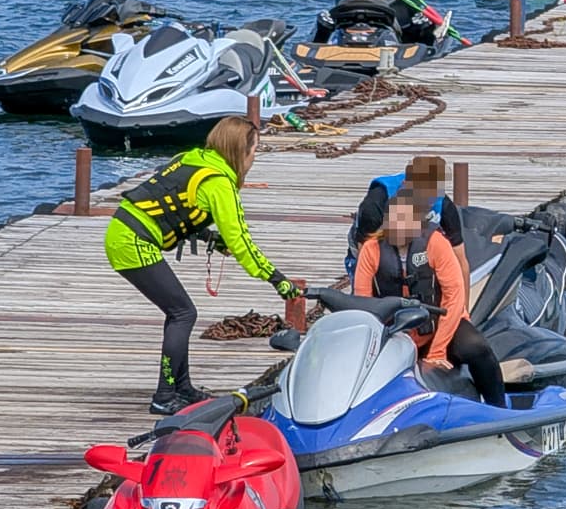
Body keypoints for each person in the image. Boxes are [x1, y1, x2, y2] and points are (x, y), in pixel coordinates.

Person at [105, 116, 302, 414]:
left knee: (180, 312)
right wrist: (276, 279)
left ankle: (182, 388)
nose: (254, 157)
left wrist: (207, 235)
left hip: (124, 231)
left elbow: (173, 203)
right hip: (132, 242)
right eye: (254, 150)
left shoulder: (195, 159)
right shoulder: (219, 183)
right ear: (240, 150)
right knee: (182, 313)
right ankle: (164, 395)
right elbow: (242, 242)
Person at [352, 196, 506, 408]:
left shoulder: (436, 243)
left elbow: (454, 296)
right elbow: (363, 303)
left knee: (477, 348)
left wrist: (437, 351)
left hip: (438, 327)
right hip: (394, 331)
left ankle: (498, 408)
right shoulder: (371, 250)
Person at [347, 154, 465, 277]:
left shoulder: (444, 205)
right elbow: (365, 259)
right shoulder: (375, 205)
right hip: (373, 241)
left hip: (416, 244)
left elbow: (461, 262)